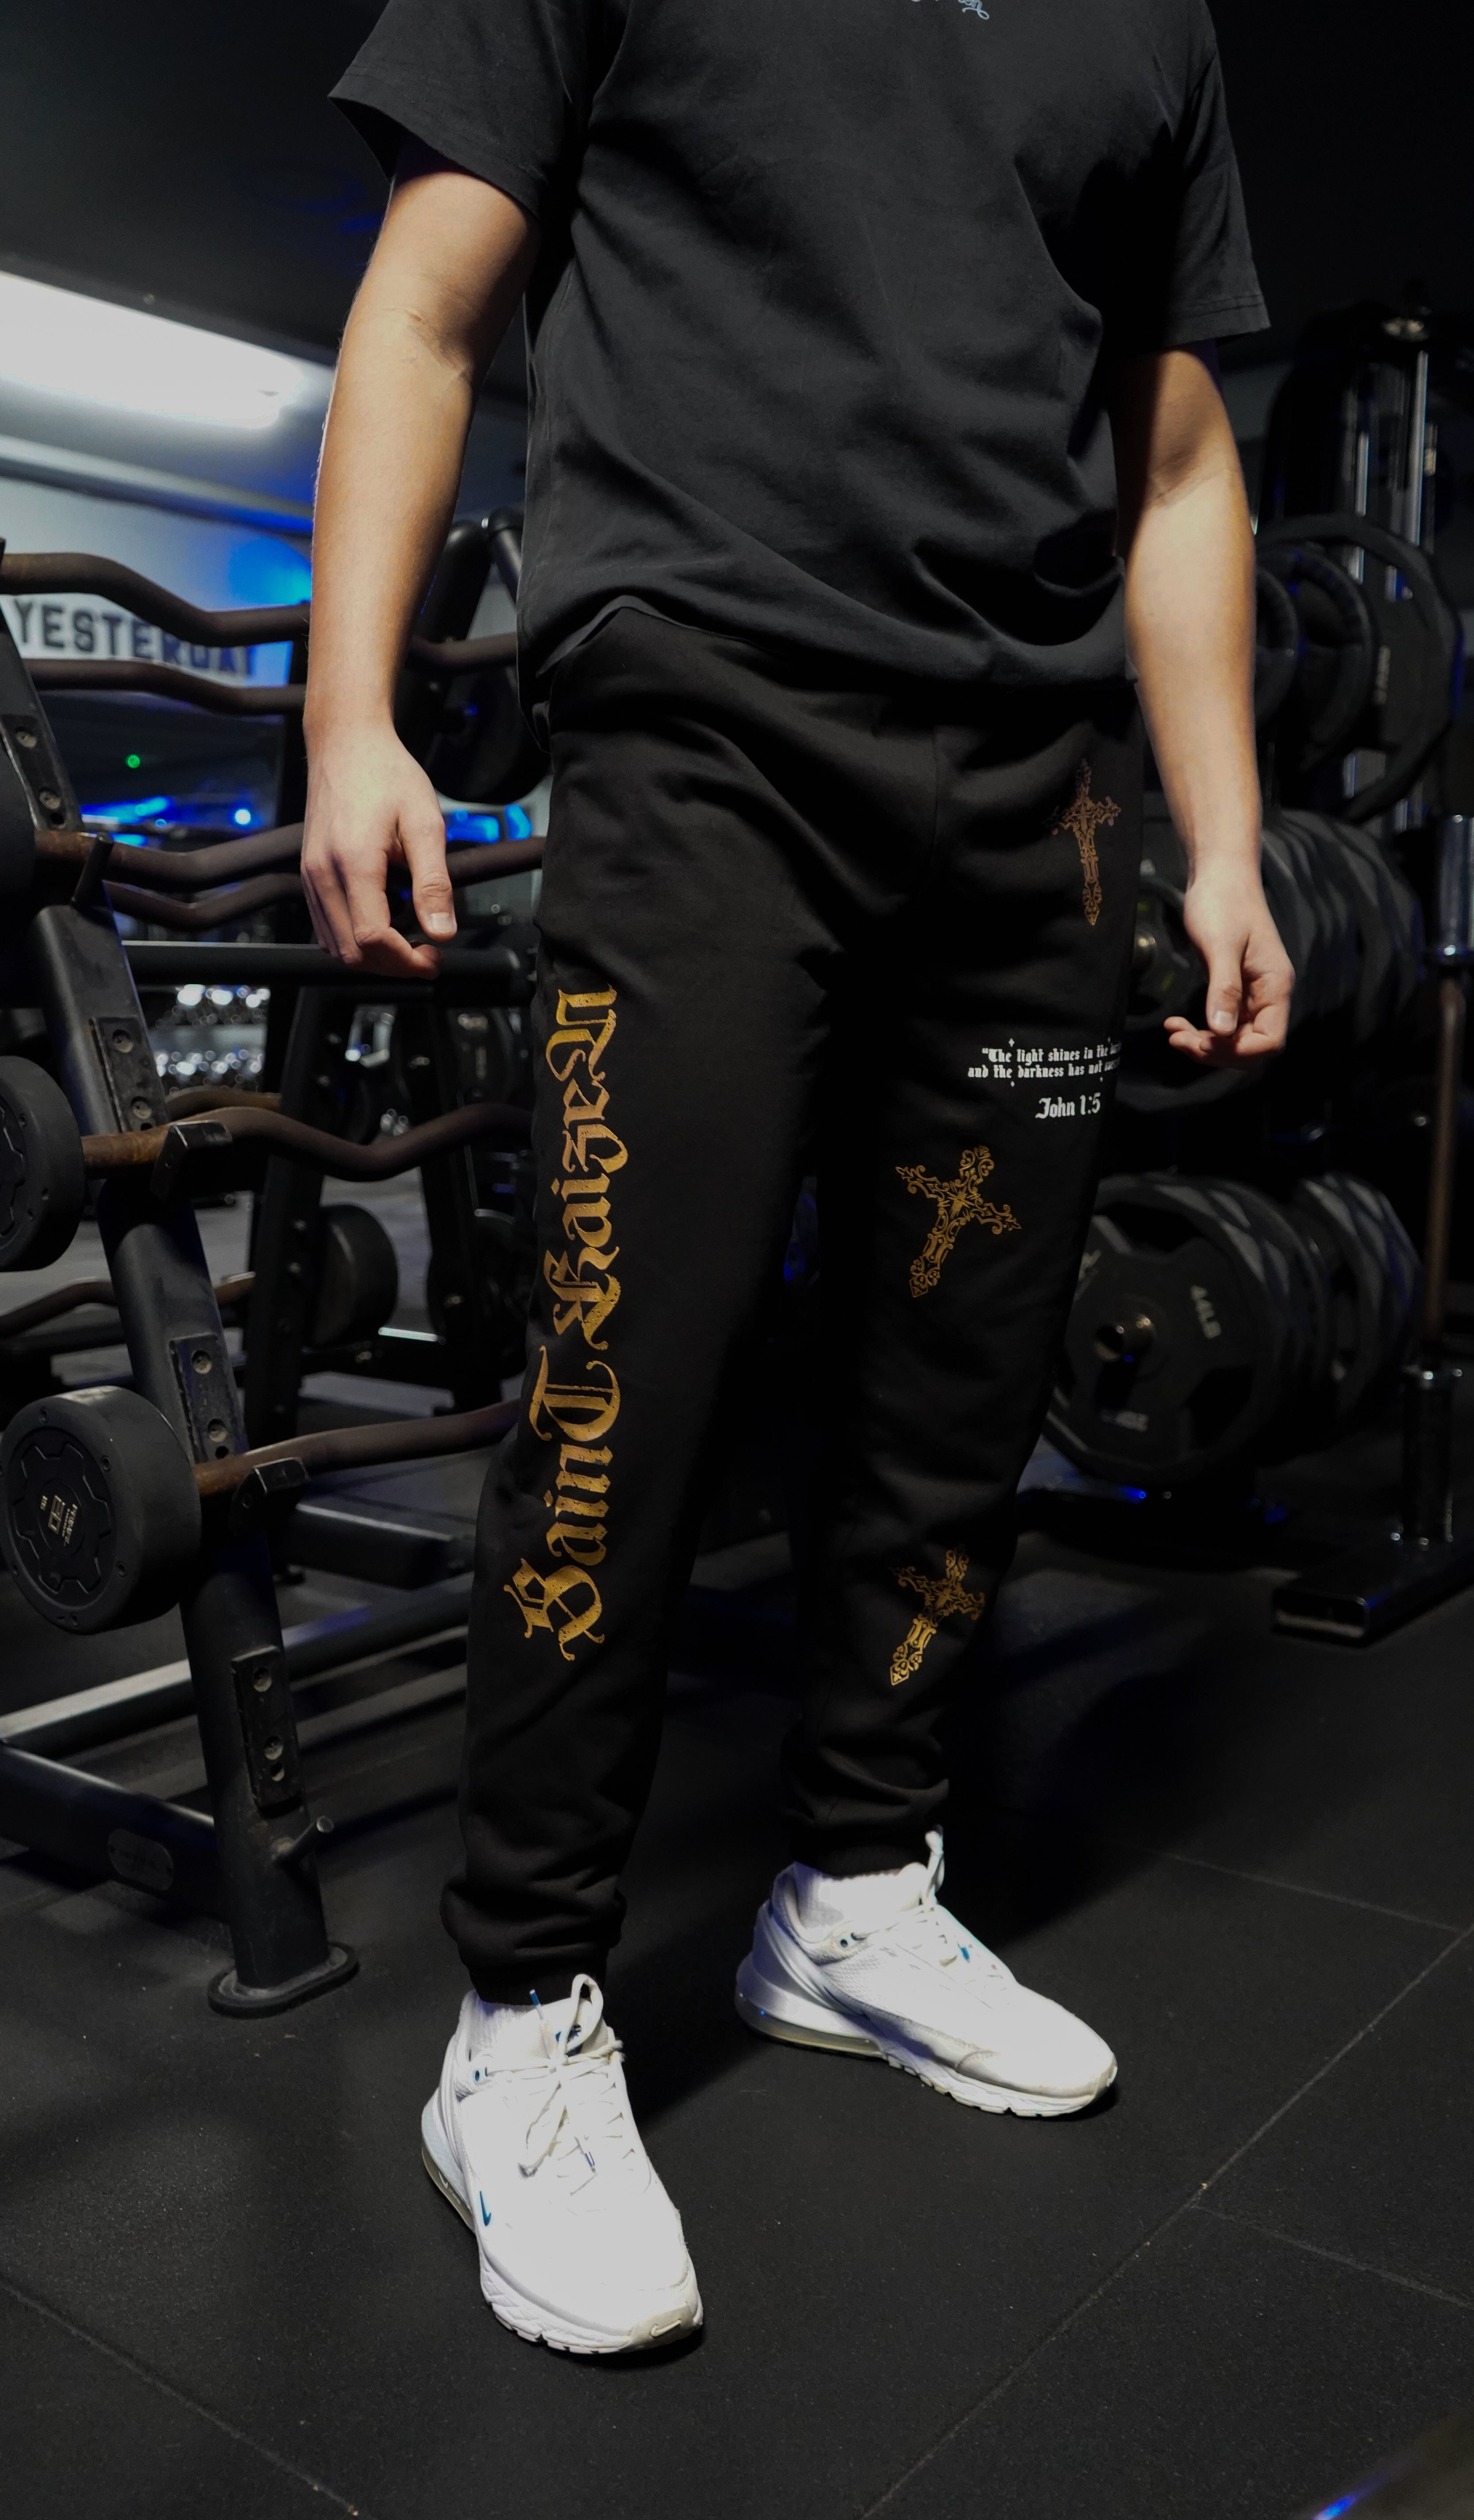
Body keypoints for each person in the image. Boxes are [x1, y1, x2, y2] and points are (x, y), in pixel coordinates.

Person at [306, 0, 1291, 2355]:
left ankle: (852, 1888)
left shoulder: (1148, 22)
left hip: (1031, 788)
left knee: (967, 1388)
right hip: (707, 728)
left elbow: (1176, 460)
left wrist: (1229, 834)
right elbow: (428, 302)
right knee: (626, 1394)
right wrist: (351, 712)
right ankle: (517, 2016)